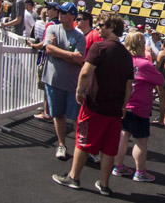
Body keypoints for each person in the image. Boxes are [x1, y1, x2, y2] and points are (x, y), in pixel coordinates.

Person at [52, 11, 134, 196]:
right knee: (108, 148)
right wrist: (123, 105)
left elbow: (85, 72)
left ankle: (74, 177)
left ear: (112, 28)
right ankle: (104, 184)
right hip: (114, 109)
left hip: (95, 105)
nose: (98, 28)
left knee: (83, 141)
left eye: (101, 25)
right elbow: (129, 84)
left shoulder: (99, 47)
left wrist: (79, 92)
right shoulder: (126, 55)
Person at [33, 1, 86, 161]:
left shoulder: (79, 36)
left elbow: (79, 59)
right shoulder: (52, 28)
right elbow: (48, 49)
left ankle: (80, 148)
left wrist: (58, 51)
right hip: (53, 81)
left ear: (72, 16)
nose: (60, 14)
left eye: (64, 12)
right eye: (60, 12)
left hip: (71, 85)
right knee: (58, 115)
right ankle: (62, 145)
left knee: (76, 118)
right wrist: (68, 55)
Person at [110, 30, 165, 183]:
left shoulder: (121, 61)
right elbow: (160, 80)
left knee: (123, 136)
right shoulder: (144, 64)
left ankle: (118, 166)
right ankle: (140, 171)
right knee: (141, 141)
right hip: (139, 107)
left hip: (123, 105)